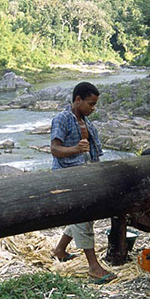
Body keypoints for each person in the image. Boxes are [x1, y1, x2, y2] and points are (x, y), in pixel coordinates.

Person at [50, 81, 115, 284]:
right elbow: (55, 149)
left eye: (95, 105)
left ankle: (60, 249)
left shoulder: (88, 124)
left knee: (84, 215)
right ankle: (93, 267)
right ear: (77, 100)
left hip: (86, 175)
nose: (92, 108)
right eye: (90, 104)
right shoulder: (61, 119)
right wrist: (75, 150)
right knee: (82, 216)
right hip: (68, 177)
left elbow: (93, 154)